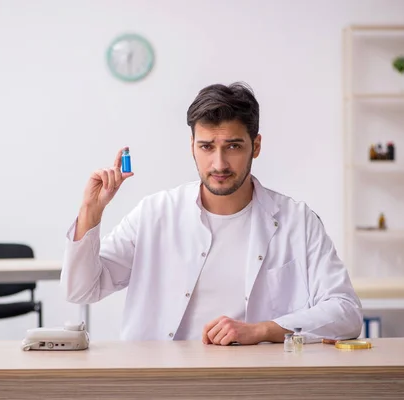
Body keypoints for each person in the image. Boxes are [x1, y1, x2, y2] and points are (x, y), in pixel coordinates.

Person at [61, 82, 363, 345]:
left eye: (233, 146)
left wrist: (262, 330)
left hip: (257, 381)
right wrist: (92, 211)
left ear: (255, 146)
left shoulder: (297, 221)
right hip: (160, 382)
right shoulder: (155, 214)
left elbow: (346, 311)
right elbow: (81, 290)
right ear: (192, 146)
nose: (219, 164)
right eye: (207, 147)